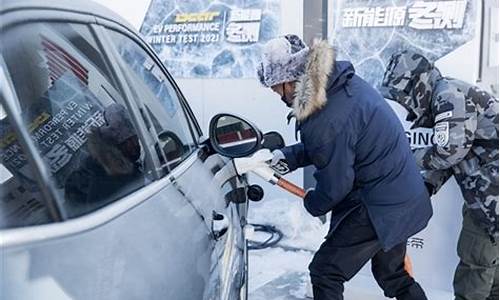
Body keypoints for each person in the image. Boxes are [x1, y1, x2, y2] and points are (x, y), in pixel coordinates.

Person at [257, 35, 432, 300]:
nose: (273, 93)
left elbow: (334, 186)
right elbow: (336, 145)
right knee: (392, 274)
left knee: (325, 272)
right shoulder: (337, 86)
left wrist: (313, 203)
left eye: (274, 87)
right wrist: (287, 157)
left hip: (378, 205)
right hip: (401, 195)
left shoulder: (325, 117)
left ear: (289, 82)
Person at [380, 50, 499, 300]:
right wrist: (424, 187)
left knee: (475, 262)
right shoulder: (444, 95)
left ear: (417, 85)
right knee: (489, 269)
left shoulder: (449, 97)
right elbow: (453, 156)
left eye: (404, 94)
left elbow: (449, 153)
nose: (404, 102)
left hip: (491, 198)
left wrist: (402, 157)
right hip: (486, 193)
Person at [65, 103, 143, 211]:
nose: (136, 144)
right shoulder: (108, 179)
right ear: (120, 142)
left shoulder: (115, 166)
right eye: (132, 140)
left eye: (136, 138)